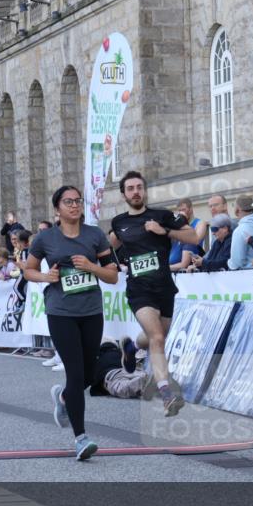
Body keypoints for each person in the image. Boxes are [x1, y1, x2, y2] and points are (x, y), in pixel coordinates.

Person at [24, 185, 119, 460]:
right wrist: (45, 277)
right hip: (61, 312)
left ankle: (64, 398)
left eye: (78, 201)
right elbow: (29, 270)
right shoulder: (46, 238)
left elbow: (112, 276)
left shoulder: (95, 235)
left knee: (89, 374)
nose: (74, 206)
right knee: (76, 374)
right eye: (68, 202)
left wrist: (92, 268)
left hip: (91, 311)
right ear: (57, 209)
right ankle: (81, 438)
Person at [109, 171, 198, 416]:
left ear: (144, 190)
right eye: (130, 188)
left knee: (157, 336)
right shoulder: (119, 222)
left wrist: (165, 231)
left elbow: (193, 235)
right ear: (124, 194)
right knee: (157, 337)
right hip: (139, 290)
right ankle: (166, 393)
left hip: (164, 287)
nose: (135, 191)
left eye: (139, 187)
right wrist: (113, 264)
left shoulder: (162, 216)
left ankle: (130, 348)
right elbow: (106, 248)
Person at [227, 195, 253, 270]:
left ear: (237, 210)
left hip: (248, 276)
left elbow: (236, 262)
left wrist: (229, 262)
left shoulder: (240, 230)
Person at [169, 198, 206, 273]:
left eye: (183, 209)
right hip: (172, 265)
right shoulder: (178, 225)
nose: (181, 212)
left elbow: (197, 240)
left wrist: (183, 223)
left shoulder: (200, 223)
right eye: (179, 211)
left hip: (186, 266)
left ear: (191, 209)